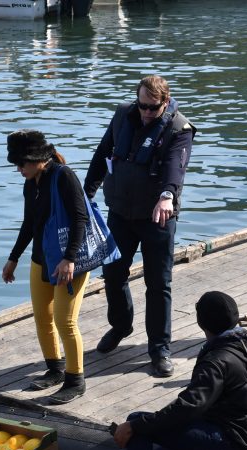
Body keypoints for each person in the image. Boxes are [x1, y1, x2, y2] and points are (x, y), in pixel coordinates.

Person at [83, 75, 196, 378]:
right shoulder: (123, 115)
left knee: (159, 283)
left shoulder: (179, 129)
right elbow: (103, 152)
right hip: (120, 211)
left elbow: (176, 167)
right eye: (142, 106)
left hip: (157, 216)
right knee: (112, 273)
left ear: (165, 102)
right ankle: (121, 325)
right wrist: (86, 193)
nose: (146, 113)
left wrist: (167, 196)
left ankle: (159, 348)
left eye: (152, 108)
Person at [112, 292, 247, 450]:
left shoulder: (215, 361)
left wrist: (138, 425)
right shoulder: (245, 345)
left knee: (136, 421)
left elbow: (190, 407)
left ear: (202, 323)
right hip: (239, 438)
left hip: (226, 445)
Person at [2, 129, 91, 404]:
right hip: (42, 259)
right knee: (42, 317)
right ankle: (55, 369)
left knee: (65, 320)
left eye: (22, 164)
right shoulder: (31, 182)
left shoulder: (63, 176)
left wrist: (70, 258)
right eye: (16, 164)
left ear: (38, 159)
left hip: (68, 263)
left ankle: (76, 380)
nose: (19, 170)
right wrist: (14, 257)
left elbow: (81, 218)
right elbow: (29, 223)